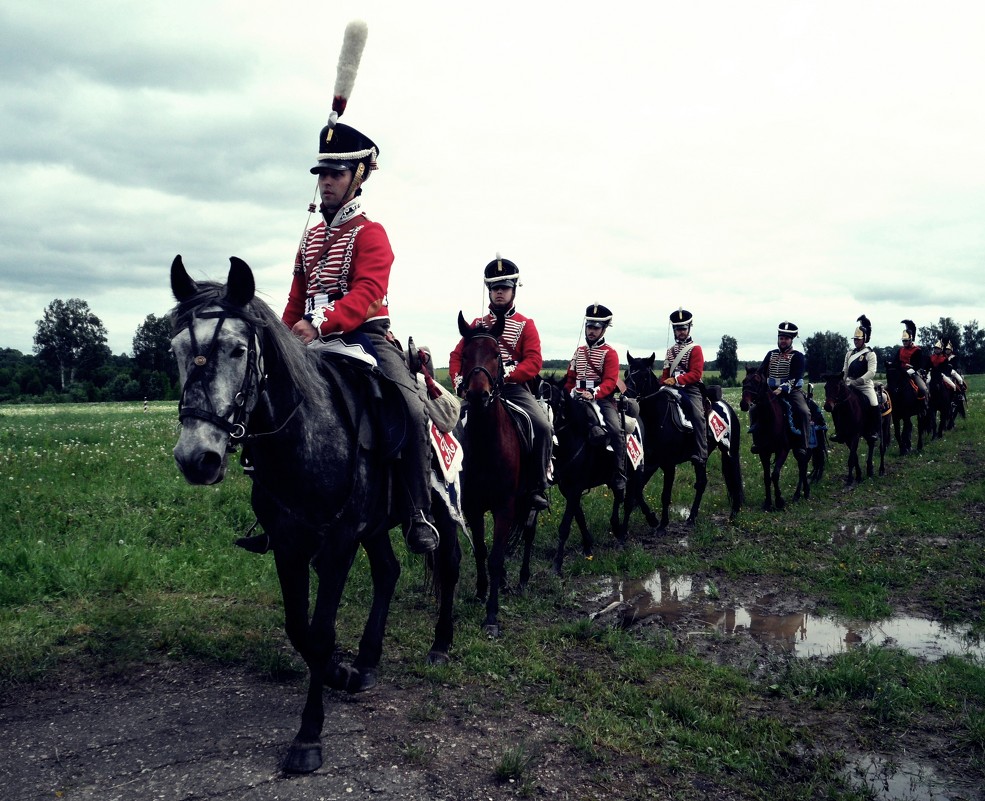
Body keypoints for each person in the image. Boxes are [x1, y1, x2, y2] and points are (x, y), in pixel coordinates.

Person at [280, 121, 439, 554]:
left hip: (366, 340)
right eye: (322, 174)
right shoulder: (309, 239)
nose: (326, 181)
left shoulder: (371, 233)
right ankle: (276, 507)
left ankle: (418, 511)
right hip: (311, 343)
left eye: (336, 173)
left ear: (358, 177)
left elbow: (368, 293)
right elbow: (297, 300)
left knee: (408, 406)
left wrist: (321, 323)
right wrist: (282, 338)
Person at [449, 256, 552, 509]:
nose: (499, 293)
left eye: (504, 288)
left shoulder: (526, 325)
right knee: (449, 425)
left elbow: (534, 361)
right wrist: (460, 380)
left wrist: (507, 375)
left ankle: (537, 485)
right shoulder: (476, 325)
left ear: (513, 290)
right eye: (495, 288)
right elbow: (456, 356)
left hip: (513, 389)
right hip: (478, 390)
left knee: (542, 427)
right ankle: (452, 481)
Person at [563, 303, 625, 489]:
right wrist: (566, 394)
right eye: (589, 326)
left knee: (615, 430)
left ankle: (619, 471)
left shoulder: (610, 353)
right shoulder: (579, 352)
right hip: (577, 396)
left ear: (604, 329)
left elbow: (610, 381)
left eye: (596, 328)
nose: (591, 331)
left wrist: (594, 393)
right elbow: (570, 378)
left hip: (601, 399)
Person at [660, 308, 707, 465]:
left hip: (690, 388)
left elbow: (696, 374)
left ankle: (701, 452)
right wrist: (664, 382)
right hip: (671, 388)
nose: (680, 332)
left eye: (683, 328)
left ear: (688, 329)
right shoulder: (670, 351)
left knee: (697, 415)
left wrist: (677, 380)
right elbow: (665, 373)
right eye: (677, 329)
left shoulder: (695, 349)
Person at [759, 321, 811, 455]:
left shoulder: (798, 356)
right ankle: (757, 439)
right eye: (781, 338)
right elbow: (761, 372)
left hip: (791, 391)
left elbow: (795, 376)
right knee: (754, 409)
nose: (783, 341)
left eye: (786, 339)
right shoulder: (771, 354)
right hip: (771, 391)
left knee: (804, 411)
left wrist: (782, 388)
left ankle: (803, 444)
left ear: (791, 340)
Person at [839, 315, 879, 443]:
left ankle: (874, 430)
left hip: (864, 385)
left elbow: (871, 372)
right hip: (849, 383)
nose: (856, 341)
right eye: (855, 339)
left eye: (858, 339)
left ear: (864, 339)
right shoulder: (849, 353)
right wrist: (842, 381)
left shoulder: (870, 354)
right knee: (838, 404)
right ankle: (840, 431)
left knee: (874, 403)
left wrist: (858, 381)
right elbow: (845, 370)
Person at [895, 319, 929, 403]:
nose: (904, 342)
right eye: (903, 341)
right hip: (901, 372)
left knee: (923, 388)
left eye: (906, 341)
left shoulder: (917, 350)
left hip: (912, 373)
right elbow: (896, 362)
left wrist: (910, 370)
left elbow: (919, 364)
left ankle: (926, 404)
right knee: (887, 387)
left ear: (910, 340)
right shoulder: (900, 350)